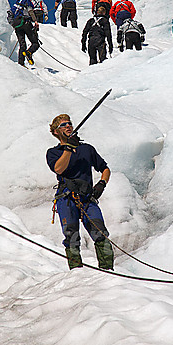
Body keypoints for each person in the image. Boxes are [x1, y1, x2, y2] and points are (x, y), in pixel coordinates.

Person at [46, 114, 114, 271]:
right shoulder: (53, 153)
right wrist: (69, 148)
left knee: (100, 232)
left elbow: (104, 168)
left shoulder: (87, 149)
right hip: (66, 199)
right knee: (72, 236)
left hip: (87, 198)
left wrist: (102, 184)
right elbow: (59, 168)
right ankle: (77, 274)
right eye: (63, 125)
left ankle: (107, 271)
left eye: (69, 123)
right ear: (56, 132)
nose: (68, 126)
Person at [7, 0, 40, 66]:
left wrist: (13, 24)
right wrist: (35, 21)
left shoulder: (14, 7)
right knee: (35, 43)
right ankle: (29, 52)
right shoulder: (26, 1)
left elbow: (9, 16)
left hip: (17, 25)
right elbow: (30, 11)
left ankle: (21, 63)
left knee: (22, 45)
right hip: (25, 22)